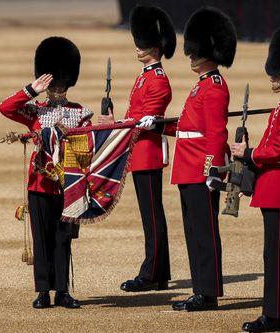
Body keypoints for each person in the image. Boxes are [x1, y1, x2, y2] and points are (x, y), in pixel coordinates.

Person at [138, 7, 236, 311]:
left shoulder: (215, 88)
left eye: (196, 53)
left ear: (210, 53)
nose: (190, 57)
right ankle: (200, 289)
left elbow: (217, 134)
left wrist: (211, 170)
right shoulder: (203, 84)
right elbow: (188, 126)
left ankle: (208, 293)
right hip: (187, 167)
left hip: (200, 169)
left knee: (204, 234)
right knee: (194, 233)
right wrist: (159, 124)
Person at [0, 36, 93, 309]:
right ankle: (43, 290)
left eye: (61, 82)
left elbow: (89, 146)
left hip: (68, 185)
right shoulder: (35, 110)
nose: (58, 87)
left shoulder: (80, 113)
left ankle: (62, 290)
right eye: (54, 82)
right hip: (40, 183)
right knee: (41, 238)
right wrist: (32, 88)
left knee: (63, 239)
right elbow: (5, 107)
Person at [230, 28, 280, 332]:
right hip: (271, 184)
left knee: (275, 254)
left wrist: (249, 153)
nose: (272, 77)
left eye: (278, 72)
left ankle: (274, 315)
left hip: (279, 185)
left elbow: (279, 149)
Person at [98, 5, 176, 292]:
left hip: (147, 152)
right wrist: (115, 120)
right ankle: (160, 271)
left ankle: (153, 272)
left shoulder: (158, 80)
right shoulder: (145, 76)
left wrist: (117, 123)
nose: (138, 48)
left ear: (155, 48)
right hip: (138, 151)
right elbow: (137, 115)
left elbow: (145, 121)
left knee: (152, 214)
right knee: (149, 214)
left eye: (144, 44)